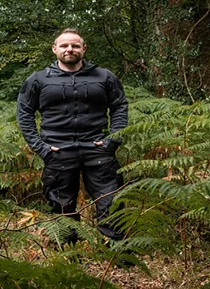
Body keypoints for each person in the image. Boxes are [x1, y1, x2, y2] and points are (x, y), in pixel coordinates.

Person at [16, 28, 128, 244]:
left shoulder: (104, 77)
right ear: (55, 49)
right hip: (57, 151)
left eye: (75, 45)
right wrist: (42, 148)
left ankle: (119, 254)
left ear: (83, 49)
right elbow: (24, 113)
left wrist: (113, 140)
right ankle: (68, 254)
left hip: (98, 149)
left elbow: (119, 107)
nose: (70, 49)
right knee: (61, 205)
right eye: (65, 45)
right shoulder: (38, 80)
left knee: (111, 201)